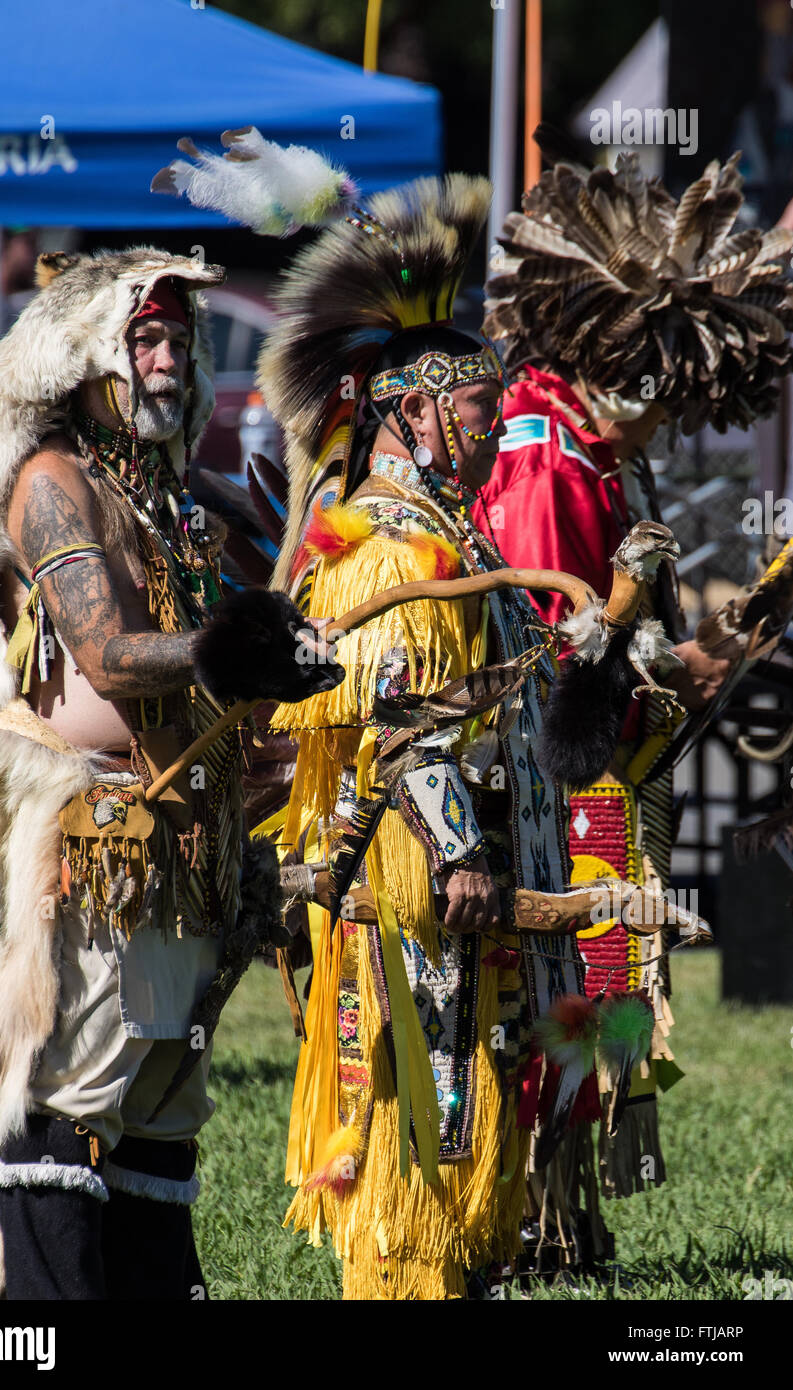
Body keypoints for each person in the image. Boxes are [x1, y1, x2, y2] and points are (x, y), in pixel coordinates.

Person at [0, 247, 338, 1300]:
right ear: (88, 357)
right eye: (143, 337)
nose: (165, 357)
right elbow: (104, 655)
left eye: (178, 339)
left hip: (180, 839)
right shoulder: (56, 486)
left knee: (159, 1101)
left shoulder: (173, 501)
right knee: (69, 1090)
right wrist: (227, 652)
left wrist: (272, 691)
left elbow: (206, 659)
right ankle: (31, 1308)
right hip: (96, 837)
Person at [249, 175, 638, 1297]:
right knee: (416, 1125)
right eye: (477, 412)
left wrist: (617, 634)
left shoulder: (460, 542)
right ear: (412, 412)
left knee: (475, 1114)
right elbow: (396, 719)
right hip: (422, 884)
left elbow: (512, 701)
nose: (493, 428)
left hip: (483, 885)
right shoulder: (383, 548)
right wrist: (459, 849)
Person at [474, 151, 793, 1197]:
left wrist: (698, 647)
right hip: (541, 775)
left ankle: (560, 1213)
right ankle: (525, 1209)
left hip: (587, 761)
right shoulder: (545, 457)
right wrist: (670, 666)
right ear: (621, 365)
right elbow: (544, 648)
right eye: (662, 397)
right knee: (549, 984)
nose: (666, 420)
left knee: (581, 984)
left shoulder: (588, 443)